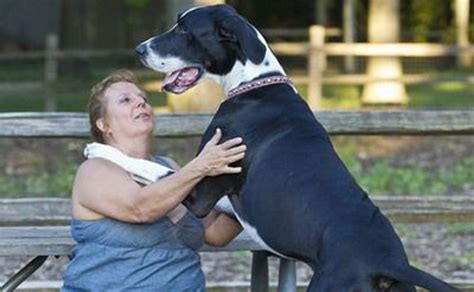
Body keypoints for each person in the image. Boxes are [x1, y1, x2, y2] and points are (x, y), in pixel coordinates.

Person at [62, 70, 245, 291]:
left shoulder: (168, 167)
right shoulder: (94, 170)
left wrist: (253, 184)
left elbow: (216, 232)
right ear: (104, 125)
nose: (140, 102)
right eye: (125, 100)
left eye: (143, 99)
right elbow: (140, 209)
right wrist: (200, 166)